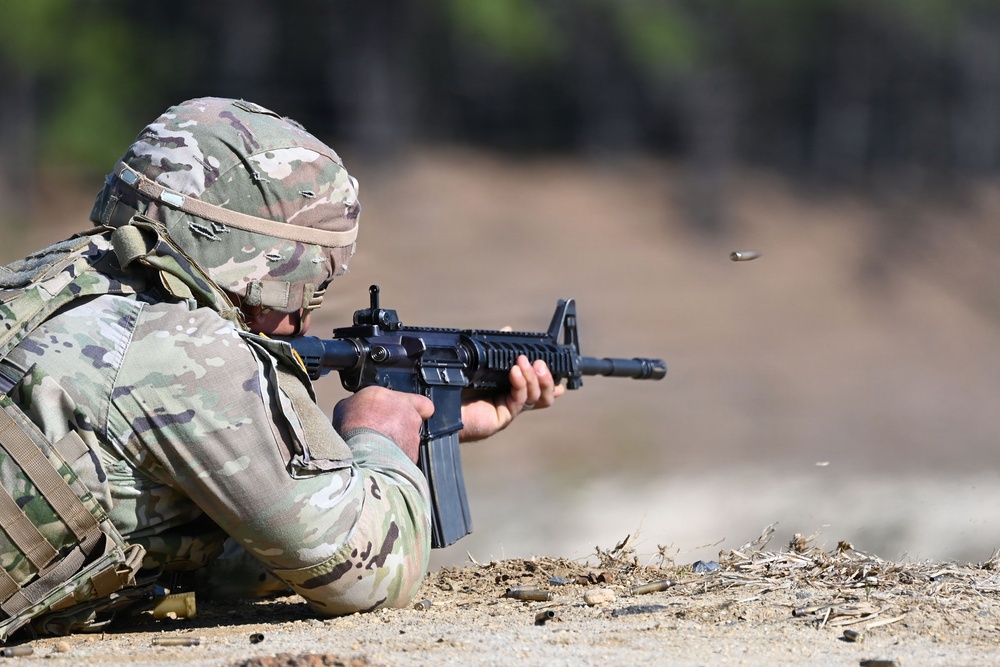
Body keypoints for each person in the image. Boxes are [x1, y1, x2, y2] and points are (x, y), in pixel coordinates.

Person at [0, 97, 561, 639]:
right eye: (306, 289)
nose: (302, 321)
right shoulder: (185, 350)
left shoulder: (48, 284)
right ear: (251, 262)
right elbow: (363, 575)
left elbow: (221, 555)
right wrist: (379, 435)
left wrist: (429, 420)